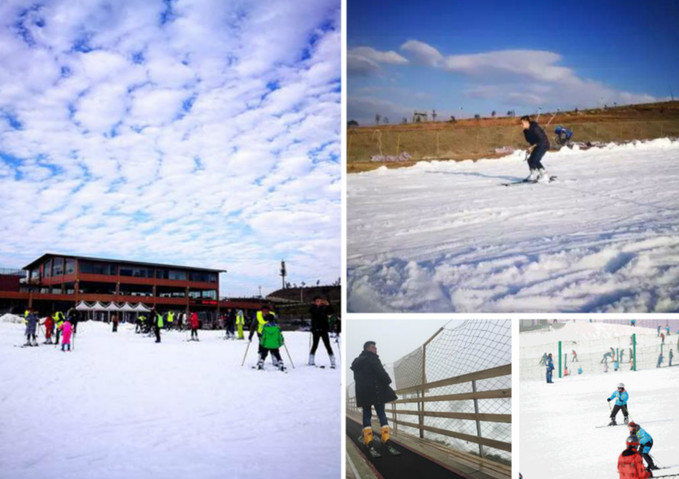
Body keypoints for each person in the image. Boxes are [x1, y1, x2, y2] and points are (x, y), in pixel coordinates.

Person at [351, 341, 398, 449]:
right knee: (381, 413)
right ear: (368, 349)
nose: (375, 349)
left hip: (364, 392)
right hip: (376, 391)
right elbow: (381, 372)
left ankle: (368, 439)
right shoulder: (372, 358)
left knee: (366, 414)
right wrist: (388, 382)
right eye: (373, 347)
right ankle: (385, 437)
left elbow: (356, 378)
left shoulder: (357, 362)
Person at [308, 297, 336, 368]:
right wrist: (314, 305)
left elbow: (331, 312)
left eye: (319, 301)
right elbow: (310, 311)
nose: (318, 302)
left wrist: (329, 305)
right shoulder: (313, 309)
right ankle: (311, 360)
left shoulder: (325, 308)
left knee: (327, 345)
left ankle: (332, 360)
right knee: (315, 345)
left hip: (323, 329)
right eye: (316, 301)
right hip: (316, 330)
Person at [520, 115, 551, 183]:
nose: (521, 125)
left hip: (543, 144)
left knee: (535, 160)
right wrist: (531, 148)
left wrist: (532, 147)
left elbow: (542, 139)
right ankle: (532, 175)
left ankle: (544, 175)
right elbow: (530, 140)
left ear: (527, 122)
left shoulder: (535, 128)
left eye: (522, 123)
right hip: (536, 145)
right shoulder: (525, 131)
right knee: (530, 160)